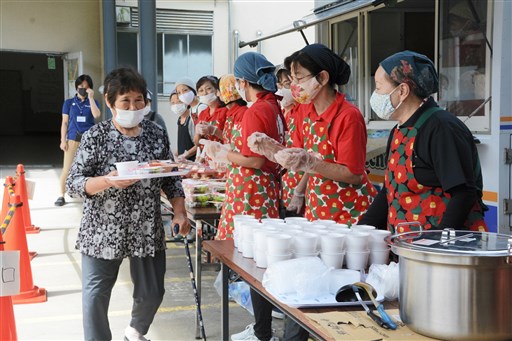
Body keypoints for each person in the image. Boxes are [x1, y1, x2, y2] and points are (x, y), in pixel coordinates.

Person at [66, 67, 190, 341]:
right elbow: (74, 184)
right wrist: (107, 181)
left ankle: (135, 332)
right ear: (110, 103)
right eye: (125, 101)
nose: (133, 107)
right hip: (102, 230)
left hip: (146, 227)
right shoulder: (95, 137)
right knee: (96, 295)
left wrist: (180, 212)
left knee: (153, 291)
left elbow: (171, 178)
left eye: (139, 101)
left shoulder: (156, 134)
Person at [358, 50, 488, 233]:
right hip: (407, 249)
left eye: (378, 87)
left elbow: (464, 193)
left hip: (443, 251)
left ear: (402, 90)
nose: (375, 94)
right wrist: (360, 232)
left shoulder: (442, 128)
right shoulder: (399, 130)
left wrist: (436, 246)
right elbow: (390, 191)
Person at [250, 44, 377, 226]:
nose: (294, 86)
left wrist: (312, 163)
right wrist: (271, 148)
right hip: (318, 207)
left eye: (299, 78)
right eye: (292, 79)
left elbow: (353, 174)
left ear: (322, 78)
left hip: (349, 212)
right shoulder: (305, 110)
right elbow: (297, 154)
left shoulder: (348, 116)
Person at [206, 52, 283, 341]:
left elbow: (254, 161)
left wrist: (226, 154)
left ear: (242, 81)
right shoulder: (272, 106)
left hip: (250, 192)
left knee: (250, 265)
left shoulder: (255, 111)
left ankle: (263, 331)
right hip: (263, 191)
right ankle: (262, 328)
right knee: (257, 262)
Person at [55, 74, 100, 206]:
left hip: (89, 140)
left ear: (90, 89)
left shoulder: (93, 102)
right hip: (72, 139)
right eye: (80, 87)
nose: (83, 89)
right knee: (67, 168)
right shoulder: (69, 103)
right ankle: (61, 195)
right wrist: (63, 140)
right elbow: (64, 122)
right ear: (76, 88)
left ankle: (91, 194)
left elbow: (96, 115)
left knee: (90, 168)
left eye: (86, 87)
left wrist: (91, 98)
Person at [215, 74, 248, 238]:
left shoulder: (242, 113)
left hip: (242, 177)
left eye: (220, 91)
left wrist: (224, 153)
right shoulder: (231, 113)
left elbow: (243, 149)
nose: (218, 95)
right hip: (232, 173)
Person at [275, 68, 303, 218]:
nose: (282, 90)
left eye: (286, 83)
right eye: (279, 85)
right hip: (286, 181)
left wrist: (299, 190)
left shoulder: (301, 111)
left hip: (300, 180)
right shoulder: (282, 113)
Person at [193, 75, 228, 147]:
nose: (205, 93)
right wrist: (197, 133)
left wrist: (214, 131)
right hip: (207, 156)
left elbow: (231, 139)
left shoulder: (226, 110)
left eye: (208, 89)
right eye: (201, 90)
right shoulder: (203, 113)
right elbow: (197, 143)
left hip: (223, 155)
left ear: (217, 90)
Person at [169, 90, 196, 161]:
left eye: (179, 102)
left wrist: (185, 155)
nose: (176, 105)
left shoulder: (192, 119)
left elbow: (198, 145)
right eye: (173, 103)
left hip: (193, 162)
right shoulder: (179, 120)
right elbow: (182, 145)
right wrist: (175, 155)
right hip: (183, 163)